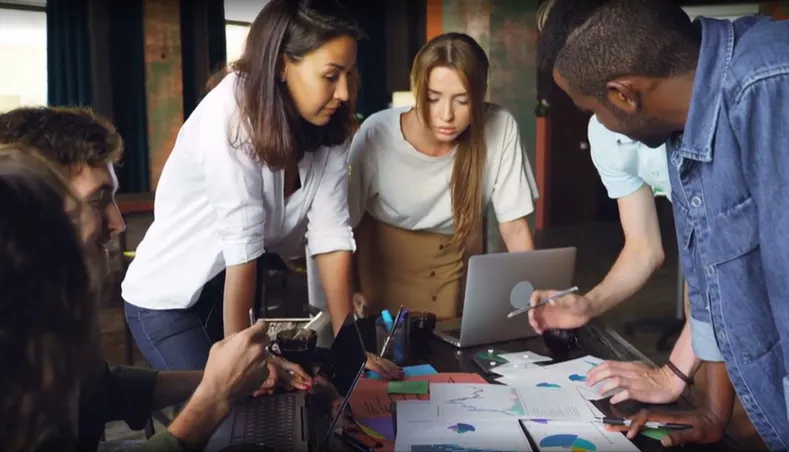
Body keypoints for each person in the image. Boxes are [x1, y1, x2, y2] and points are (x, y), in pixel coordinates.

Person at [537, 0, 789, 449]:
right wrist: (710, 409)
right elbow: (713, 270)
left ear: (623, 94)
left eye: (594, 109)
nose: (598, 124)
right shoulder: (681, 126)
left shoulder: (769, 83)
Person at [121, 0, 400, 379]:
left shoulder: (329, 125)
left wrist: (350, 347)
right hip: (169, 299)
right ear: (283, 65)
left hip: (232, 287)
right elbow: (242, 243)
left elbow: (331, 234)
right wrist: (250, 365)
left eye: (350, 74)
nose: (345, 93)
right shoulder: (230, 115)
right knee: (226, 413)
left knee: (267, 407)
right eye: (331, 75)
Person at [0, 106, 307, 451]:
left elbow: (100, 385)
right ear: (31, 206)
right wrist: (213, 398)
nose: (117, 223)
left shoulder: (42, 314)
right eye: (98, 200)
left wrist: (226, 379)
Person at [529, 114, 734, 447]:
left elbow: (729, 267)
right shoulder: (605, 131)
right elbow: (644, 248)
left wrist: (673, 375)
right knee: (712, 420)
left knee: (750, 419)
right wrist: (589, 304)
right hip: (709, 281)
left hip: (750, 281)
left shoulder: (706, 121)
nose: (601, 118)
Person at [339, 32, 538, 319]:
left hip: (446, 273)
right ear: (417, 89)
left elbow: (515, 229)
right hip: (378, 271)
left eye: (462, 100)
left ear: (479, 95)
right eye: (433, 98)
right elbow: (343, 226)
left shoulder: (500, 127)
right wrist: (347, 291)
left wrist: (532, 299)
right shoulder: (376, 133)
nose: (446, 115)